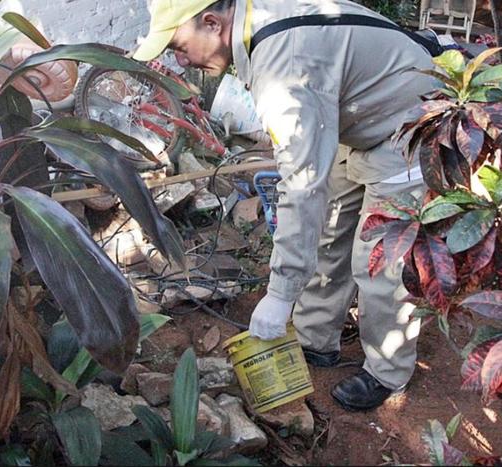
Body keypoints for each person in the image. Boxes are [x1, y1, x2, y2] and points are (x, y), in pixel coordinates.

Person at [133, 0, 435, 411]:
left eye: (178, 44)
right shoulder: (259, 19)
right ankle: (316, 340)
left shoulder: (283, 65)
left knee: (379, 258)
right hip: (359, 117)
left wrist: (279, 294)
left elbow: (301, 184)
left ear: (211, 22)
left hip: (410, 123)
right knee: (330, 227)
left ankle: (387, 370)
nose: (178, 58)